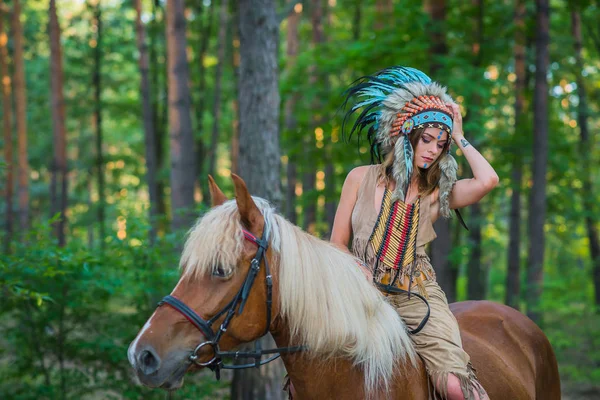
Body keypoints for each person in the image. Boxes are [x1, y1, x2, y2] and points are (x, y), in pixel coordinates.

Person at [330, 66, 498, 400]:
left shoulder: (436, 192)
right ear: (406, 135)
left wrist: (460, 134)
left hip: (416, 296)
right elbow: (337, 243)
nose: (434, 149)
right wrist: (357, 268)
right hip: (359, 295)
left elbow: (487, 181)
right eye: (427, 139)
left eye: (441, 143)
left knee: (455, 387)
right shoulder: (358, 178)